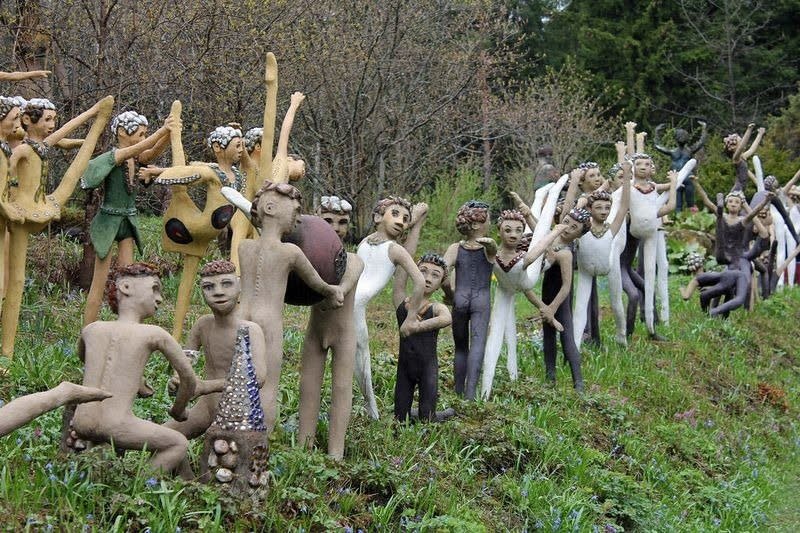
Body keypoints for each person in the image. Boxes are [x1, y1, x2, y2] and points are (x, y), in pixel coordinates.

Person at [72, 263, 222, 477]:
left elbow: (86, 358)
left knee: (100, 454)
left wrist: (133, 378)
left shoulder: (92, 330)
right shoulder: (155, 334)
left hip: (82, 420)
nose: (159, 298)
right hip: (116, 423)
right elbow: (188, 379)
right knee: (177, 443)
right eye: (154, 288)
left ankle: (100, 482)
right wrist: (178, 411)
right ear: (125, 287)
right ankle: (136, 488)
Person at [238, 181, 344, 432]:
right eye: (295, 211)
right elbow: (317, 283)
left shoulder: (245, 247)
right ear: (271, 207)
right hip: (268, 321)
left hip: (240, 316)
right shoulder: (290, 252)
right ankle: (259, 444)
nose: (299, 219)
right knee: (268, 386)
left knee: (238, 379)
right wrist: (333, 291)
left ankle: (233, 431)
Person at [165, 260, 267, 477]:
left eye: (226, 284)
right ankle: (188, 482)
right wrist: (177, 380)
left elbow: (257, 378)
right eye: (209, 287)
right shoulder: (203, 325)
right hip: (205, 407)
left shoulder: (251, 330)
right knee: (164, 436)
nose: (218, 292)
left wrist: (206, 386)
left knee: (228, 461)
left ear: (239, 287)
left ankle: (211, 488)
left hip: (238, 412)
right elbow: (186, 361)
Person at [81, 110, 176, 326]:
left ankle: (126, 328)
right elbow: (142, 148)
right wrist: (164, 130)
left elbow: (150, 152)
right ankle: (87, 332)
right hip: (108, 222)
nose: (143, 139)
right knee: (100, 281)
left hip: (127, 222)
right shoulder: (115, 156)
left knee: (129, 279)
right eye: (140, 134)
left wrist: (169, 135)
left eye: (145, 134)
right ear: (123, 132)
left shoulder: (135, 158)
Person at [298, 196, 364, 459]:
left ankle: (336, 451)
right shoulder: (309, 257)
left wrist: (336, 290)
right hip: (315, 332)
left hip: (344, 334)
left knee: (341, 388)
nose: (335, 228)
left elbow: (345, 284)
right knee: (308, 386)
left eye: (342, 223)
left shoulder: (353, 259)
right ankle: (304, 446)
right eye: (328, 221)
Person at [353, 197, 426, 418]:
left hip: (356, 305)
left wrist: (411, 316)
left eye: (405, 219)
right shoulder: (364, 242)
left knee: (360, 363)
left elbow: (420, 282)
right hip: (348, 301)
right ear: (377, 217)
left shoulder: (395, 250)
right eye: (395, 214)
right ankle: (366, 410)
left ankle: (371, 412)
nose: (401, 221)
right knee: (353, 359)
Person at [443, 200, 495, 400]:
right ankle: (470, 394)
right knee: (478, 344)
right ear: (476, 224)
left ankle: (458, 389)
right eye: (487, 219)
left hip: (460, 299)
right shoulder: (489, 246)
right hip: (481, 299)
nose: (489, 222)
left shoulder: (455, 248)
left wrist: (449, 293)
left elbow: (442, 273)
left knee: (461, 346)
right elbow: (492, 252)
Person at [392, 253, 452, 422]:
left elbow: (446, 318)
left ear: (440, 284)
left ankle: (435, 415)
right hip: (404, 368)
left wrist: (417, 326)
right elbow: (399, 277)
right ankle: (408, 416)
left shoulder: (436, 307)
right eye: (423, 271)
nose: (427, 278)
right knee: (399, 417)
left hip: (427, 368)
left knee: (427, 417)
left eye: (435, 275)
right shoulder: (402, 302)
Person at [653, 120, 707, 211]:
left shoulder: (675, 152)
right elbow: (701, 142)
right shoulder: (687, 150)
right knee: (684, 204)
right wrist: (704, 128)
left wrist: (657, 132)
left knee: (682, 204)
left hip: (681, 177)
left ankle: (686, 220)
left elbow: (657, 145)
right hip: (679, 178)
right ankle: (682, 220)